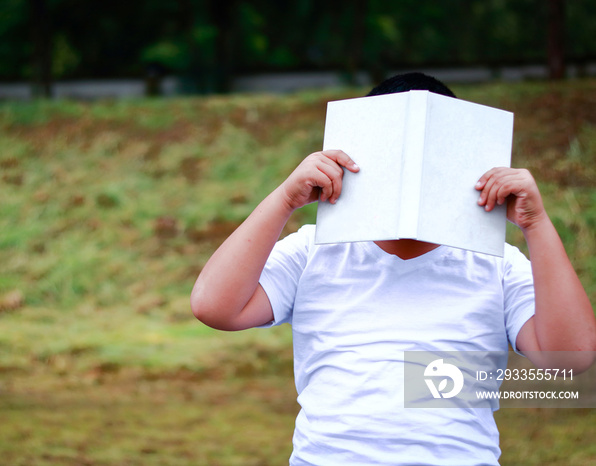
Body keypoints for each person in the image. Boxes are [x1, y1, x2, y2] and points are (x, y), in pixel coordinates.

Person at [190, 72, 596, 465]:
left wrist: (536, 225)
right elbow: (215, 307)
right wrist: (285, 199)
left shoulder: (498, 265)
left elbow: (570, 359)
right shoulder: (313, 251)